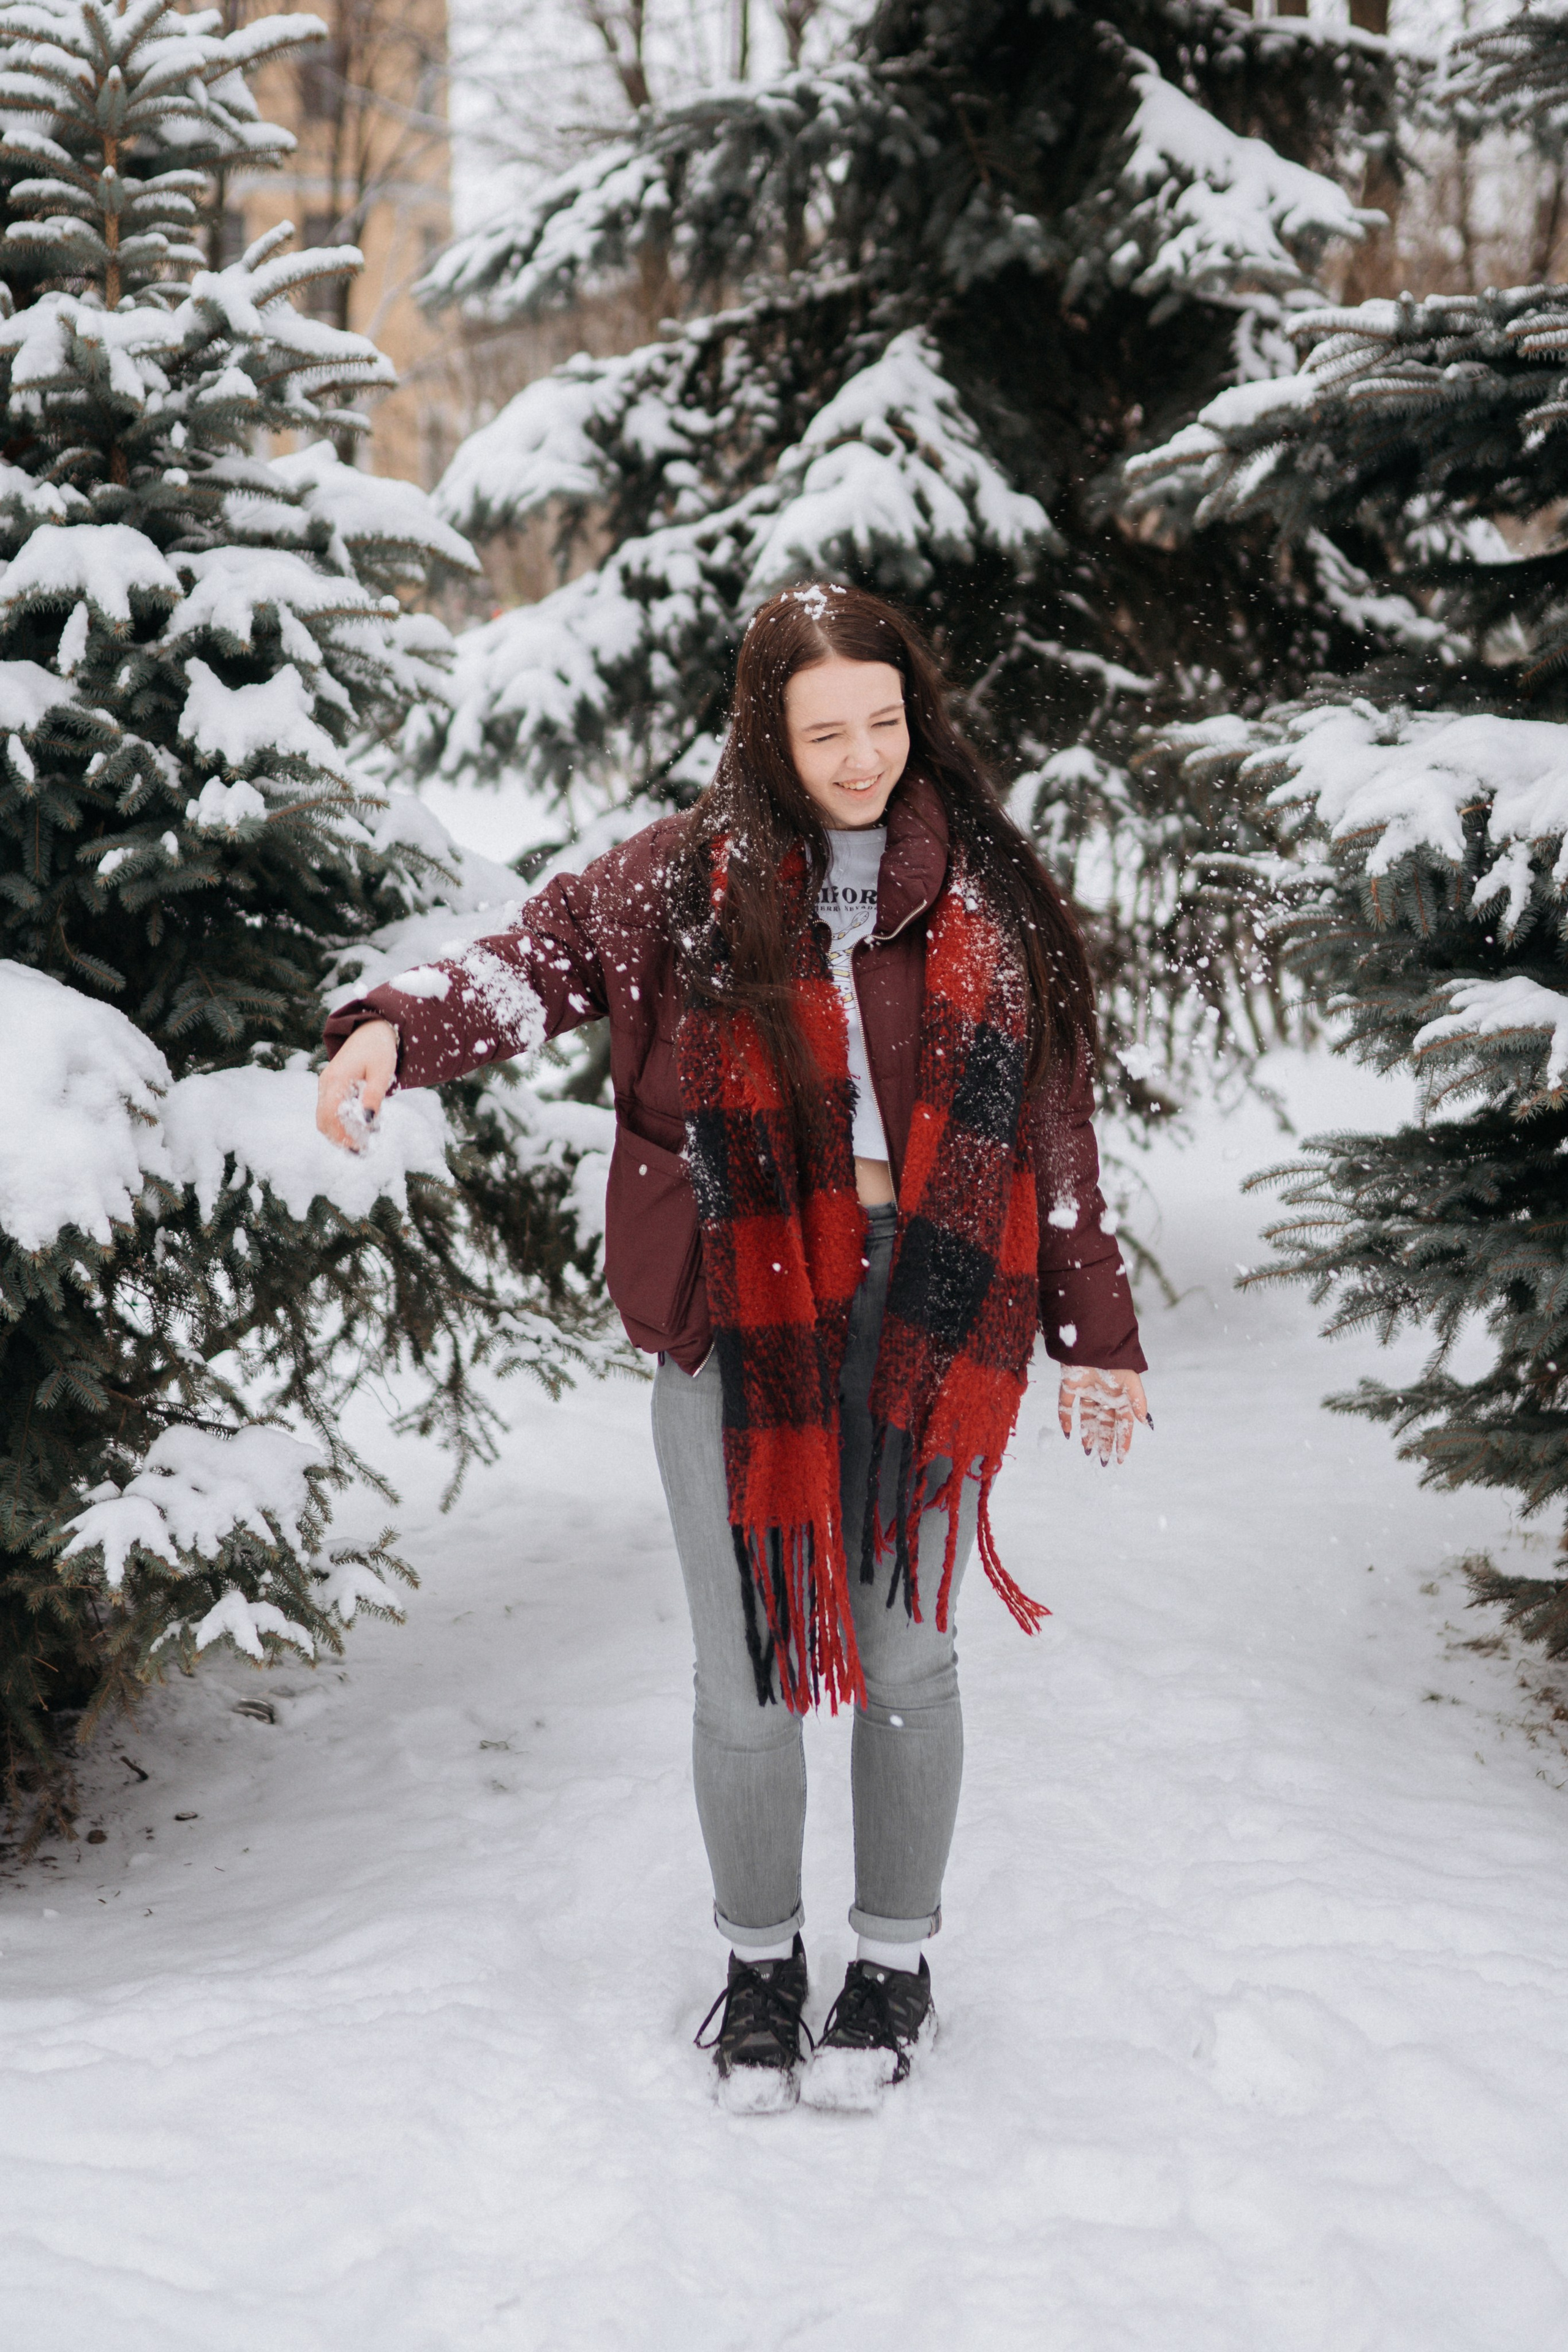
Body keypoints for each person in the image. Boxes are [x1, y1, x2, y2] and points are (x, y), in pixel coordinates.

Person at [318, 584, 1147, 2114]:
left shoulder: (985, 890)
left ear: (919, 713)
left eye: (883, 723)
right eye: (824, 730)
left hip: (926, 1302)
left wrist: (1097, 1328)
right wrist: (387, 1027)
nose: (859, 759)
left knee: (904, 1649)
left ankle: (891, 1964)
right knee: (747, 1669)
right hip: (738, 1299)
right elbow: (522, 967)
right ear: (764, 731)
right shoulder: (673, 882)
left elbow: (1053, 1132)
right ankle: (760, 1969)